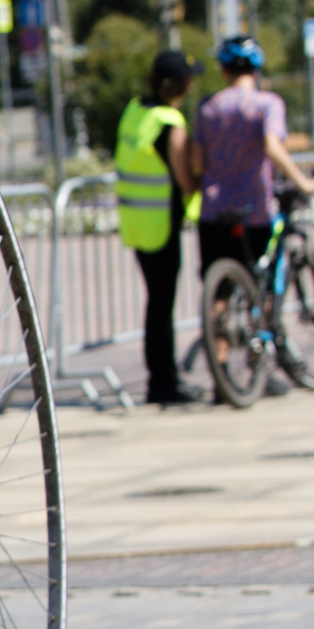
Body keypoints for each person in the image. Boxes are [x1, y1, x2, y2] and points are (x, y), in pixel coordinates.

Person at [196, 34, 314, 396]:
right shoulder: (267, 104)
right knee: (263, 288)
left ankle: (221, 376)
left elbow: (197, 162)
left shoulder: (208, 107)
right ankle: (258, 369)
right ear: (256, 68)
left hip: (213, 210)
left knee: (219, 296)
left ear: (223, 69)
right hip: (254, 208)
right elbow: (273, 147)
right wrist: (303, 182)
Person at [114, 49, 204, 406]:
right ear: (182, 84)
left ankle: (161, 377)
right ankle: (164, 380)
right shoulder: (170, 122)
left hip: (136, 221)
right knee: (161, 304)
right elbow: (185, 178)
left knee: (155, 302)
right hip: (161, 224)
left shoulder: (136, 111)